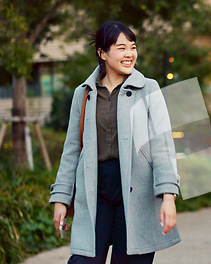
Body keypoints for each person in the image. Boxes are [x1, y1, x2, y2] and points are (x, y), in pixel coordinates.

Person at [49, 21, 180, 264]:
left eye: (133, 47)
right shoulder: (84, 93)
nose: (129, 54)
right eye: (121, 48)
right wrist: (61, 199)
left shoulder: (149, 88)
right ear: (102, 53)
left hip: (137, 191)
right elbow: (72, 149)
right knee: (84, 260)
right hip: (96, 189)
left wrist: (168, 196)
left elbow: (162, 146)